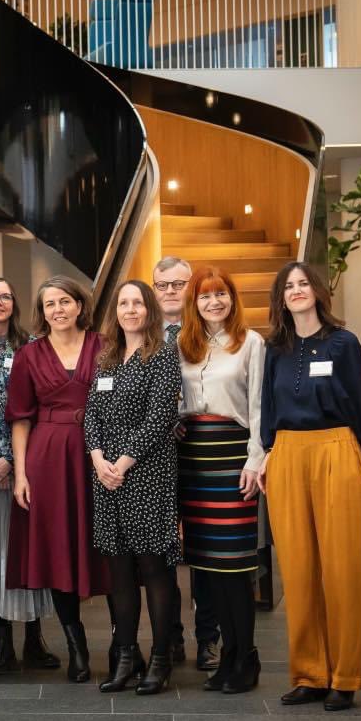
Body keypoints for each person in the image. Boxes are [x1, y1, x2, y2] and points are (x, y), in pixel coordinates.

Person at [260, 261, 361, 713]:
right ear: (281, 297)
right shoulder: (275, 349)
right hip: (288, 454)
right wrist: (270, 451)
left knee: (343, 568)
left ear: (317, 291)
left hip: (337, 448)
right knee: (297, 570)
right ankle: (309, 673)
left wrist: (354, 457)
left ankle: (345, 676)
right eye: (288, 286)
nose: (296, 290)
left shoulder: (343, 343)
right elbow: (268, 407)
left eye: (302, 283)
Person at [6, 275, 110, 683]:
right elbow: (20, 418)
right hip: (48, 458)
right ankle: (76, 645)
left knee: (107, 544)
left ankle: (123, 644)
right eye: (50, 304)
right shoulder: (28, 355)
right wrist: (21, 474)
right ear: (42, 312)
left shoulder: (106, 346)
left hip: (100, 454)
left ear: (80, 305)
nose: (58, 310)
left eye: (65, 301)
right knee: (59, 547)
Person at [84, 281, 182, 695]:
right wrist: (97, 459)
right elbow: (91, 413)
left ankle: (161, 658)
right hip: (106, 476)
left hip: (147, 473)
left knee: (153, 568)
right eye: (123, 303)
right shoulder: (106, 357)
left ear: (149, 309)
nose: (129, 310)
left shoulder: (162, 355)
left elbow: (160, 417)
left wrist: (123, 463)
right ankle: (127, 656)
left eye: (137, 303)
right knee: (119, 571)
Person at [176, 267, 266, 695]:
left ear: (232, 298)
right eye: (205, 296)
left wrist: (255, 460)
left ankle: (245, 655)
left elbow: (259, 406)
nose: (214, 303)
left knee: (234, 566)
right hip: (193, 458)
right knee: (207, 567)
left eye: (221, 294)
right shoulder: (183, 344)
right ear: (194, 303)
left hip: (233, 457)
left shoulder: (251, 342)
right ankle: (227, 657)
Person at [0, 277, 59, 676]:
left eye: (5, 295)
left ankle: (34, 639)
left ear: (14, 303)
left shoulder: (34, 347)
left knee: (29, 549)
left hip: (29, 465)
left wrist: (13, 460)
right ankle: (2, 642)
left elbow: (43, 405)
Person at [153, 255, 215, 671]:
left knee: (204, 547)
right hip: (156, 453)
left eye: (179, 284)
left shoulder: (210, 331)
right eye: (163, 285)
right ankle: (170, 636)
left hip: (202, 449)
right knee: (163, 549)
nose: (171, 292)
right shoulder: (141, 334)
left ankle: (208, 638)